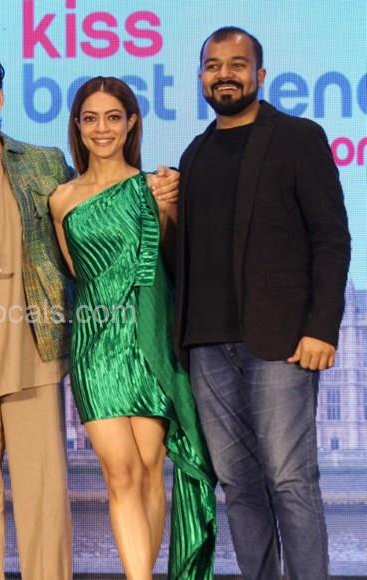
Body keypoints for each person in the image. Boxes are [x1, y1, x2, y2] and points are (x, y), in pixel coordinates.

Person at [0, 36, 180, 580]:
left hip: (37, 363)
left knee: (47, 514)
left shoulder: (46, 166)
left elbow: (104, 212)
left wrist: (161, 194)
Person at [174, 27, 351, 580]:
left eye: (237, 64)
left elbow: (331, 238)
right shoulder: (194, 154)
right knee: (239, 486)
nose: (224, 74)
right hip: (206, 344)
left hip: (281, 342)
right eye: (213, 65)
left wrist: (322, 327)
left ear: (260, 74)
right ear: (201, 77)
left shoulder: (298, 138)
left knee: (290, 480)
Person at [48, 77, 216, 580]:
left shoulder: (156, 188)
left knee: (148, 468)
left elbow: (176, 265)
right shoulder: (61, 199)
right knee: (119, 471)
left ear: (131, 123)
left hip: (149, 341)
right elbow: (76, 274)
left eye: (113, 117)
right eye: (91, 118)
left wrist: (171, 209)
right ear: (78, 126)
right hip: (95, 345)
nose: (102, 129)